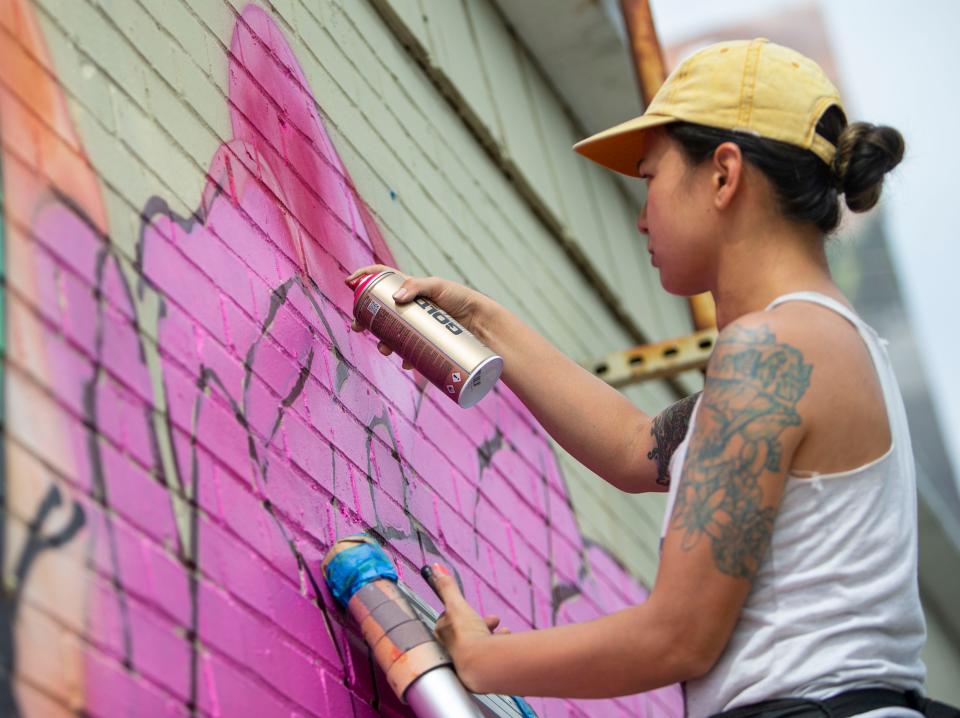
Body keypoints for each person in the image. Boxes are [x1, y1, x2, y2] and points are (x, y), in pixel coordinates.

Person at [346, 38, 954, 717]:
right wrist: (481, 320)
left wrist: (486, 660)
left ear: (724, 174)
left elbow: (680, 636)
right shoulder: (823, 346)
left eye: (651, 178)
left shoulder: (772, 347)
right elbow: (640, 446)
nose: (641, 215)